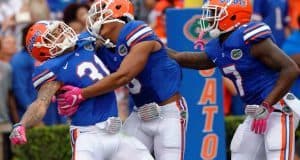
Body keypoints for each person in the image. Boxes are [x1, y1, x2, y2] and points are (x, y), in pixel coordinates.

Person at [167, 0, 300, 159]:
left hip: (279, 107)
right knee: (240, 152)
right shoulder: (218, 47)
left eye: (214, 14)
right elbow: (180, 58)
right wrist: (151, 44)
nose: (209, 18)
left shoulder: (250, 39)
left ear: (233, 16)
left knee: (276, 149)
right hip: (257, 111)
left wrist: (267, 105)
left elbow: (291, 69)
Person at [57, 0, 188, 159]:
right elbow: (78, 67)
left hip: (168, 113)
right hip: (139, 114)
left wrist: (81, 94)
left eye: (101, 14)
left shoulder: (136, 29)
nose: (96, 19)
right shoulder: (105, 50)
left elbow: (124, 75)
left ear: (118, 13)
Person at [9, 20, 153, 160]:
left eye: (59, 28)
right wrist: (22, 124)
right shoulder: (53, 69)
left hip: (115, 132)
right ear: (44, 48)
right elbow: (41, 103)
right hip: (88, 135)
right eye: (54, 33)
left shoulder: (85, 41)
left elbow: (112, 43)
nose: (62, 32)